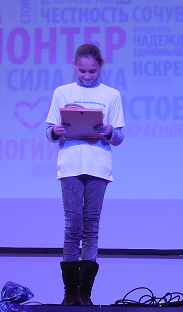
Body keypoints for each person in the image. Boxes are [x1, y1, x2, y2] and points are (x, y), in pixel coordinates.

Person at [45, 44, 125, 306]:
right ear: (75, 66)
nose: (87, 76)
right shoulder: (62, 92)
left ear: (100, 65)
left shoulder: (111, 95)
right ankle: (69, 293)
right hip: (70, 166)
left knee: (91, 226)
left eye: (92, 71)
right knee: (73, 226)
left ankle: (84, 293)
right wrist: (56, 130)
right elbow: (49, 132)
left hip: (98, 167)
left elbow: (119, 137)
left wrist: (109, 131)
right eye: (82, 71)